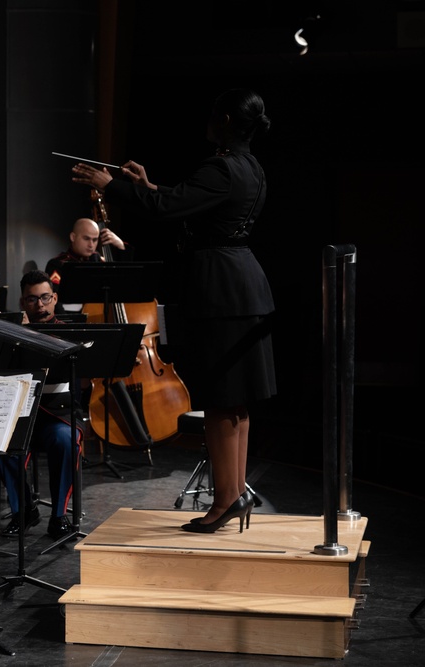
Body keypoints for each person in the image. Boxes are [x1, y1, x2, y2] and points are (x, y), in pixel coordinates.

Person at [71, 88, 276, 534]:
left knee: (222, 401)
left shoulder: (220, 167)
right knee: (235, 403)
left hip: (221, 290)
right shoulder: (250, 167)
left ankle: (224, 502)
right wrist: (146, 186)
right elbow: (186, 201)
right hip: (244, 287)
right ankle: (234, 493)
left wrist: (114, 187)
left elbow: (167, 208)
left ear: (223, 119)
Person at [0, 270, 81, 539]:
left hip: (59, 416)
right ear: (22, 303)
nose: (40, 305)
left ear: (55, 298)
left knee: (65, 440)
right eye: (32, 300)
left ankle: (59, 516)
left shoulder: (72, 336)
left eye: (45, 298)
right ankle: (24, 510)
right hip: (23, 417)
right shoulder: (12, 337)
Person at [43, 217, 127, 290]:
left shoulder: (98, 260)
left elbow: (123, 279)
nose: (91, 245)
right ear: (73, 237)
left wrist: (121, 246)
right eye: (86, 238)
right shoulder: (58, 264)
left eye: (95, 240)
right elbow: (55, 300)